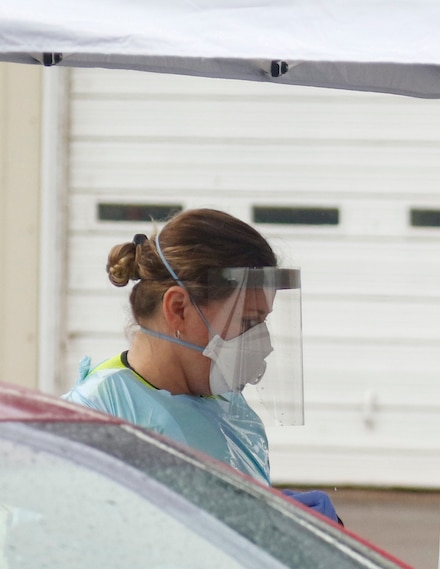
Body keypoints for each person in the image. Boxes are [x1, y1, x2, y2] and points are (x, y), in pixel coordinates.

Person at [66, 209, 338, 521]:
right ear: (178, 308)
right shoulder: (94, 424)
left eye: (263, 321)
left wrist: (273, 518)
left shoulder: (224, 404)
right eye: (247, 320)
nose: (263, 342)